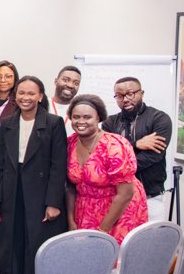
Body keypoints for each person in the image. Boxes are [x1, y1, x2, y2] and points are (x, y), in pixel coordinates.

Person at [0, 76, 68, 274]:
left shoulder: (53, 123)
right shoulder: (7, 124)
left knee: (35, 242)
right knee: (11, 243)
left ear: (40, 96)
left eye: (31, 93)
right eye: (21, 93)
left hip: (40, 192)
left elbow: (58, 166)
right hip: (11, 190)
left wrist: (53, 203)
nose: (26, 97)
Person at [66, 94, 148, 243]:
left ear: (98, 118)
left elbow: (125, 194)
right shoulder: (70, 143)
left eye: (87, 117)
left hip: (118, 210)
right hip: (85, 209)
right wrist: (71, 220)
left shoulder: (114, 146)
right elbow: (71, 187)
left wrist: (103, 230)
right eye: (76, 117)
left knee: (111, 259)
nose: (81, 122)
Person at [102, 76, 172, 222]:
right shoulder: (109, 123)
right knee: (119, 243)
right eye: (120, 96)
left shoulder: (159, 119)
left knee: (151, 242)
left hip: (151, 196)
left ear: (141, 93)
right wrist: (137, 144)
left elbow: (153, 157)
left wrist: (120, 165)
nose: (125, 99)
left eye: (130, 93)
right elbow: (108, 157)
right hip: (117, 198)